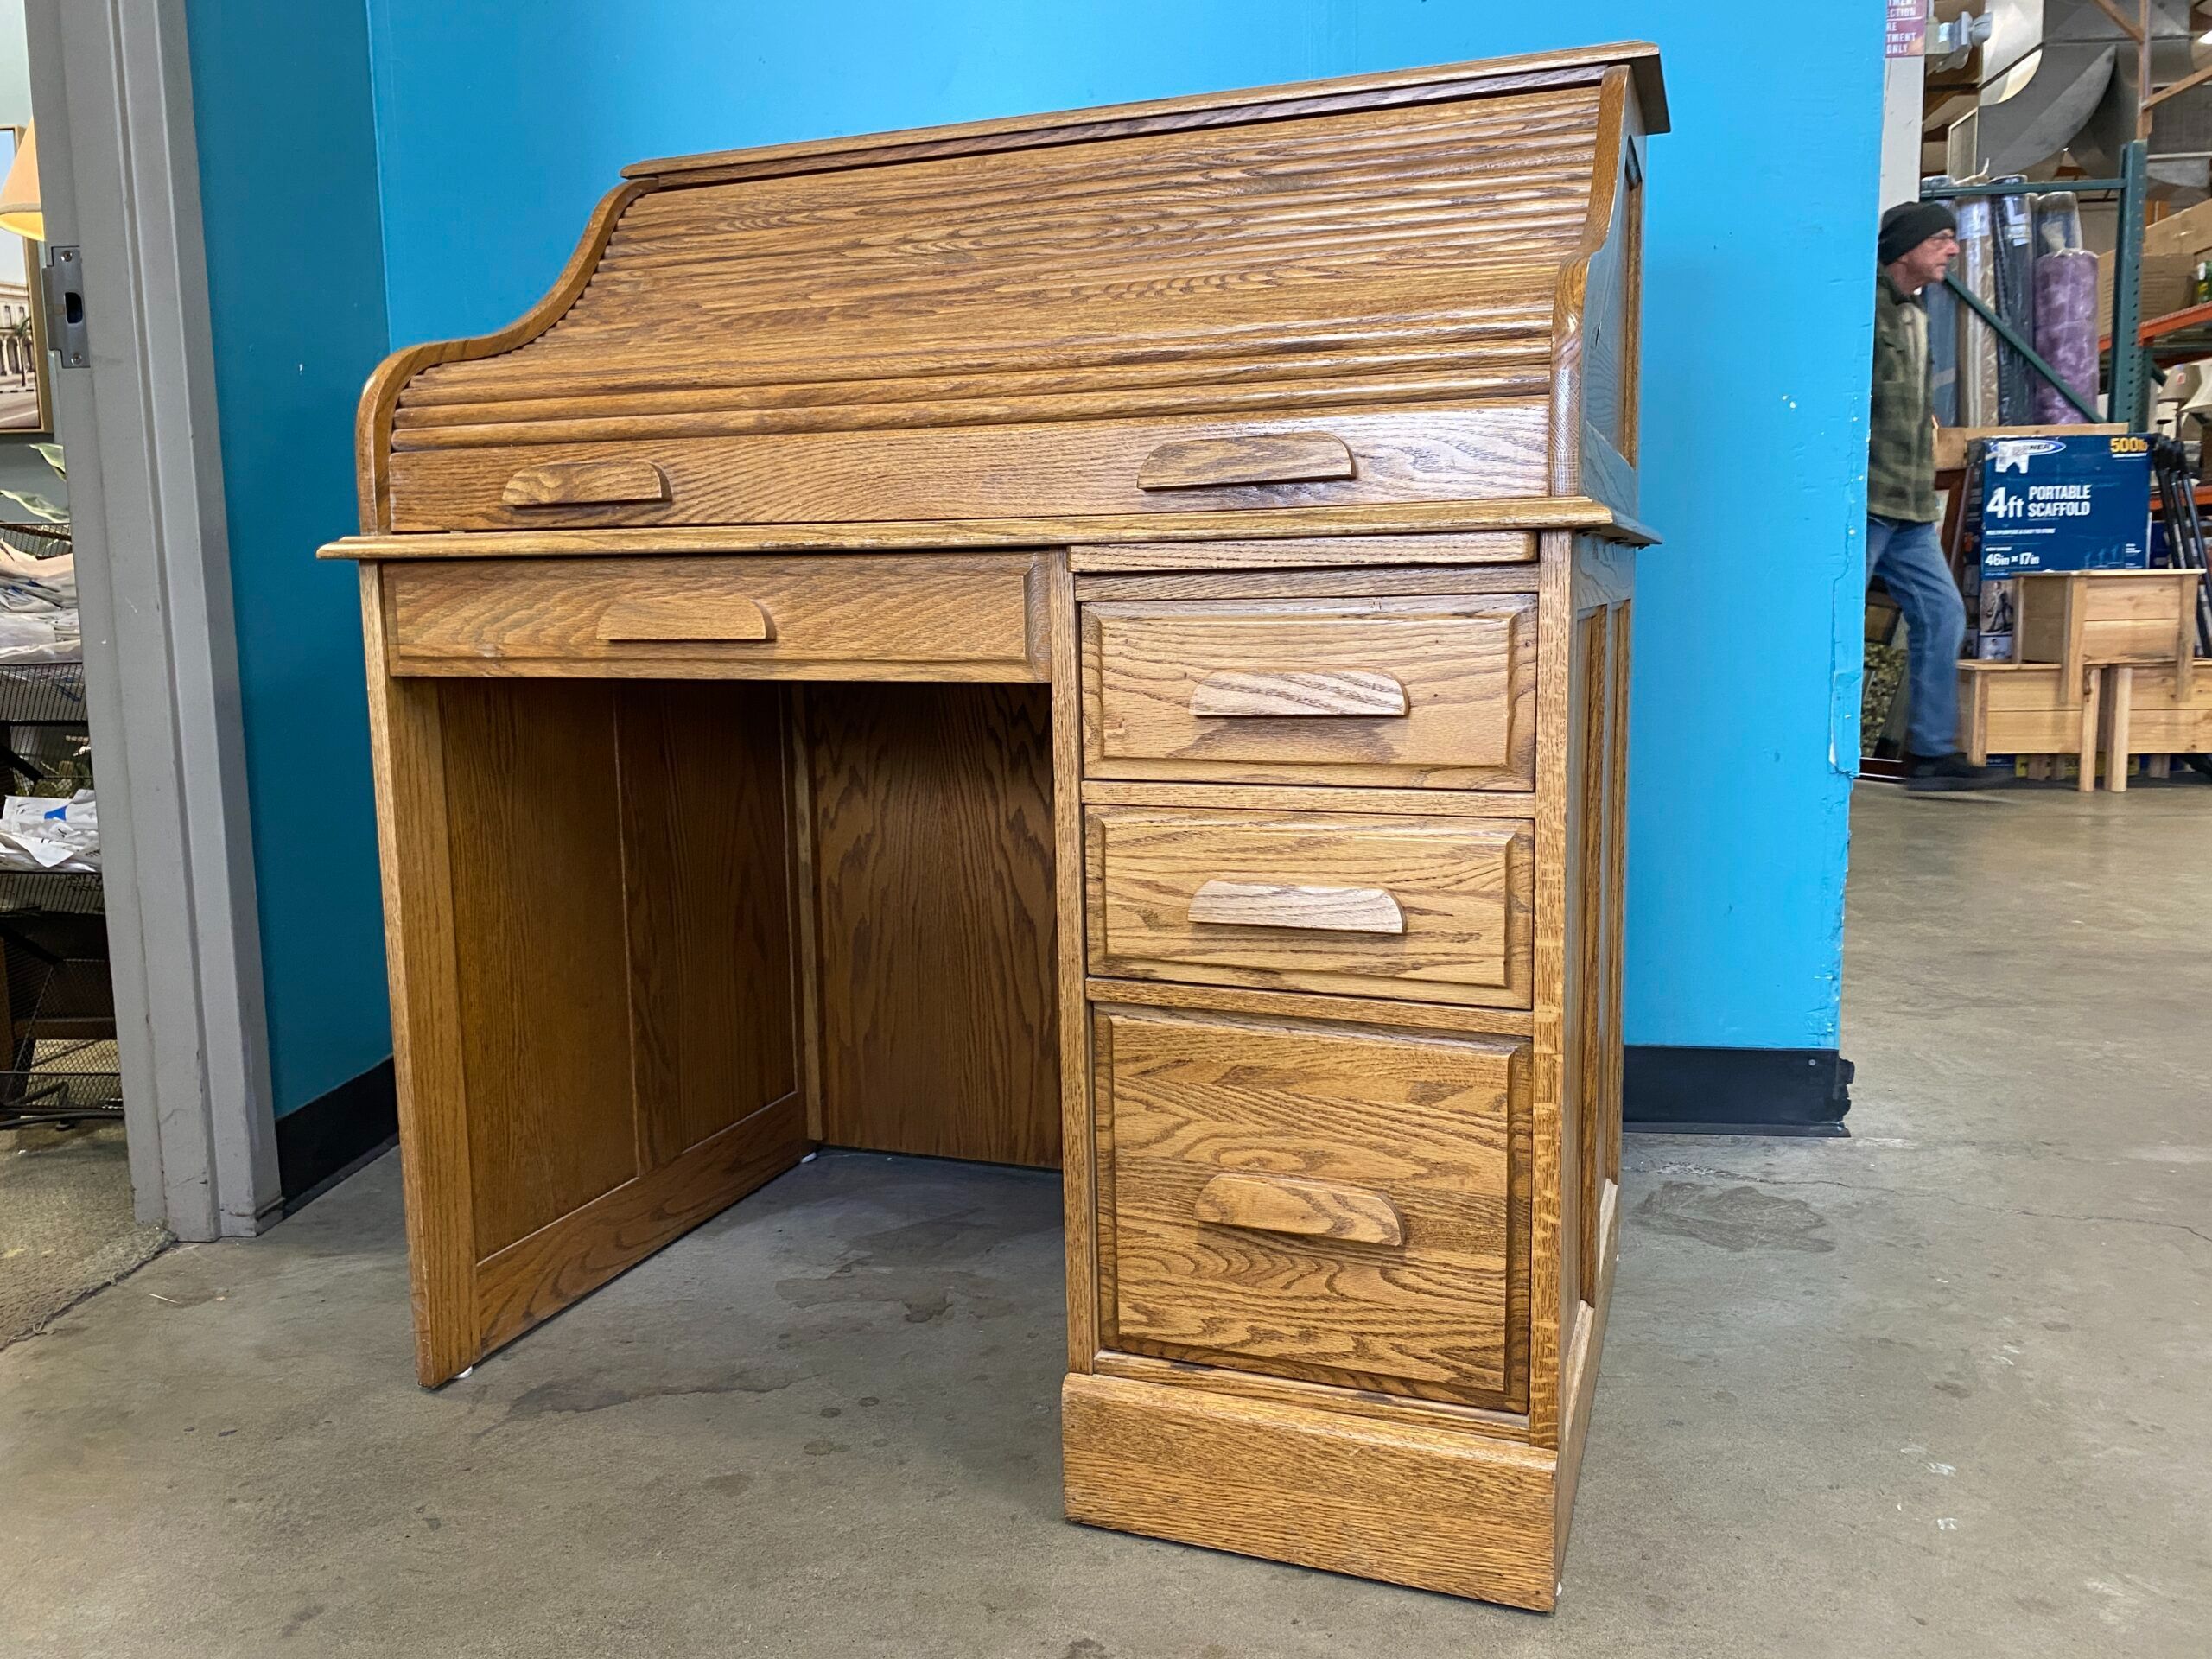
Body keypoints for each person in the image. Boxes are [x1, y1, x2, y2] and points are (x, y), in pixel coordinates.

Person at [1870, 199, 2005, 791]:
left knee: (1944, 615)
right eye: (1943, 239)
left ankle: (1928, 755)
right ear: (1907, 248)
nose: (1953, 249)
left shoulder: (1918, 316)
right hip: (1868, 502)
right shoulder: (1866, 307)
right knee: (1832, 624)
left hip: (1910, 505)